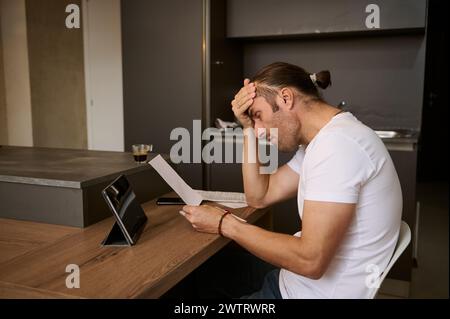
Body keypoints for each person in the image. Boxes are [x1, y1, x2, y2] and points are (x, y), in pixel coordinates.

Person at [180, 62, 402, 299]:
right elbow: (259, 196)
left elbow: (310, 261)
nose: (260, 131)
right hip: (295, 282)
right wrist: (246, 127)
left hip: (305, 293)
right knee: (203, 272)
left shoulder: (337, 147)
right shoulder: (321, 142)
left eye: (259, 116)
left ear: (285, 98)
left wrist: (225, 224)